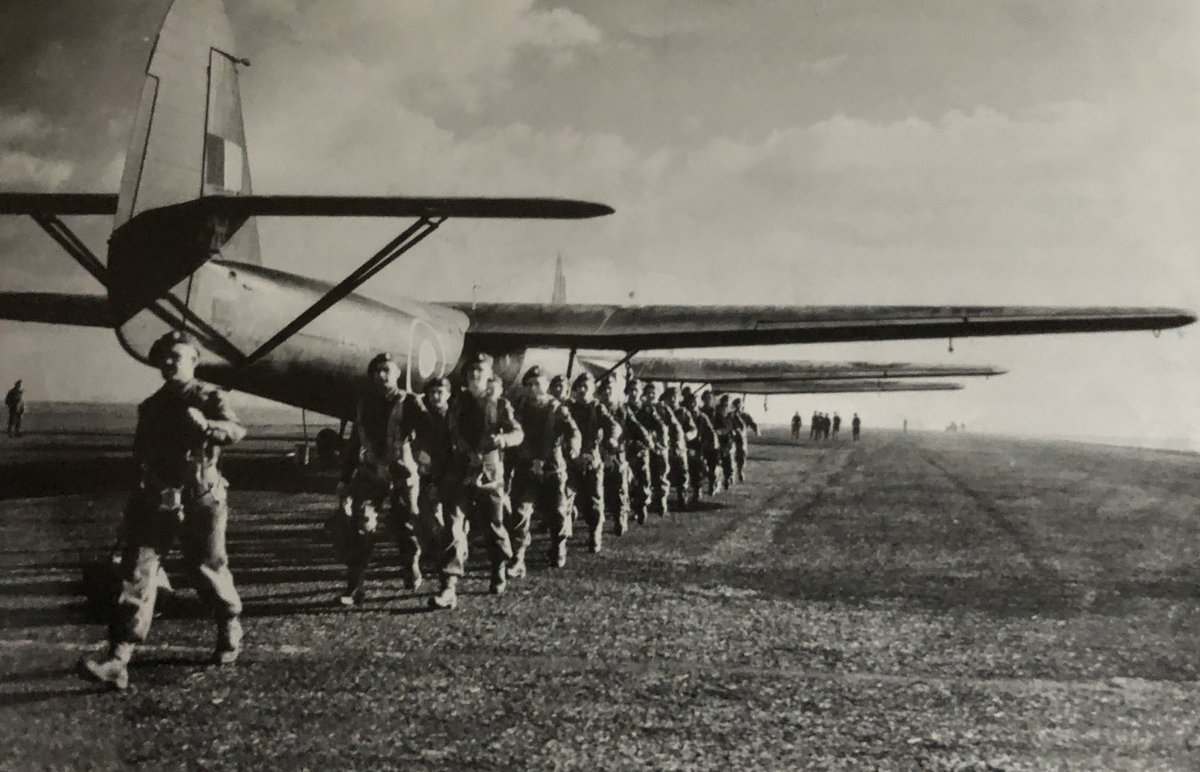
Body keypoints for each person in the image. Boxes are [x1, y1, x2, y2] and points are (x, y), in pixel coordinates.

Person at [79, 331, 246, 690]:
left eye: (177, 356)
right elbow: (140, 456)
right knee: (137, 571)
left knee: (207, 568)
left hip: (201, 498)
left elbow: (235, 430)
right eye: (164, 357)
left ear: (193, 360)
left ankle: (228, 623)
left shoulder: (209, 396)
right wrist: (136, 500)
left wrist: (209, 428)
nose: (169, 362)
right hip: (156, 500)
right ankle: (118, 657)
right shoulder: (151, 406)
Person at [429, 353, 524, 610]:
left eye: (479, 373)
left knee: (493, 526)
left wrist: (504, 440)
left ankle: (498, 567)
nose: (474, 378)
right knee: (453, 527)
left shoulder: (500, 404)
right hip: (458, 473)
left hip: (489, 474)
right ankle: (449, 585)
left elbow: (517, 432)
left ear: (488, 377)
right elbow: (445, 441)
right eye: (471, 374)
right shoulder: (457, 404)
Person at [333, 353, 421, 606]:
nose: (381, 375)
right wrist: (344, 478)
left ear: (397, 373)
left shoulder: (411, 402)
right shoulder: (365, 403)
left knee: (404, 526)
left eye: (387, 370)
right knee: (362, 526)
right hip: (371, 473)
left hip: (402, 474)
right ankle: (355, 586)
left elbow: (430, 432)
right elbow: (355, 442)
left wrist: (428, 462)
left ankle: (410, 564)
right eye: (377, 371)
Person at [511, 366, 579, 571]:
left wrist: (574, 446)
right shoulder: (520, 407)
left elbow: (572, 430)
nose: (533, 388)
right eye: (529, 385)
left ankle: (558, 546)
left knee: (557, 512)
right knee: (520, 512)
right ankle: (518, 556)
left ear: (546, 385)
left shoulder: (557, 409)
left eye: (537, 384)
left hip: (552, 468)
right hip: (526, 468)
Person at [567, 372, 620, 553]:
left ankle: (595, 533)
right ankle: (561, 536)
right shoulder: (569, 408)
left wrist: (612, 438)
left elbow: (613, 425)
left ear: (592, 390)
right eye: (579, 387)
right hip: (571, 460)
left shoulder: (597, 408)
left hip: (592, 460)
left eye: (586, 387)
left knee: (594, 502)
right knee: (564, 496)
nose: (582, 390)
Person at [597, 376, 647, 536]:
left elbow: (635, 426)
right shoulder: (595, 409)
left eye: (609, 389)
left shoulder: (622, 410)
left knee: (619, 488)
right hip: (597, 454)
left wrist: (646, 439)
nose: (606, 393)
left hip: (618, 453)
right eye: (603, 390)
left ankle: (620, 518)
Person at [635, 382, 672, 516]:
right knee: (643, 474)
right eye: (648, 393)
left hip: (659, 445)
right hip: (644, 445)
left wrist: (663, 442)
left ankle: (661, 500)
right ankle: (643, 503)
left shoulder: (662, 409)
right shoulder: (640, 409)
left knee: (660, 473)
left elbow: (667, 426)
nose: (651, 395)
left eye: (653, 393)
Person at [623, 378, 654, 524]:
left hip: (642, 448)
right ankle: (629, 505)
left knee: (643, 479)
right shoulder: (622, 409)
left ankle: (641, 507)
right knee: (627, 480)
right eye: (631, 390)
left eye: (636, 390)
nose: (633, 393)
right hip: (627, 448)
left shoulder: (647, 409)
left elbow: (657, 425)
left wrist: (652, 438)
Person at [660, 387, 695, 510]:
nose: (673, 399)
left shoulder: (683, 412)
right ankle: (661, 498)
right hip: (665, 447)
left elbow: (693, 429)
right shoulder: (662, 411)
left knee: (682, 474)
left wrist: (688, 436)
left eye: (675, 396)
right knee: (663, 472)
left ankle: (682, 497)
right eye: (670, 397)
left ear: (680, 398)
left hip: (679, 447)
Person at [682, 388, 716, 505]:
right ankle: (696, 490)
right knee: (690, 469)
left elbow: (711, 433)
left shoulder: (702, 417)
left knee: (699, 468)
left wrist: (706, 448)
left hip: (701, 446)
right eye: (691, 402)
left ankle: (706, 484)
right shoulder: (684, 415)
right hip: (687, 445)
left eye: (695, 402)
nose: (693, 404)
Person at [698, 390, 725, 494]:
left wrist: (719, 431)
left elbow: (726, 426)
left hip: (713, 444)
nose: (708, 400)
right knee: (700, 466)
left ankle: (712, 484)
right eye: (706, 398)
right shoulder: (699, 412)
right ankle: (699, 487)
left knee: (713, 466)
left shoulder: (716, 413)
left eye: (710, 398)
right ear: (703, 399)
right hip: (701, 443)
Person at [730, 398, 758, 483]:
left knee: (742, 455)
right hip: (732, 438)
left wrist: (756, 429)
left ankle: (740, 471)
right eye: (737, 404)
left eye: (740, 404)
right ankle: (731, 474)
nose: (738, 406)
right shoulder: (731, 415)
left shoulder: (745, 415)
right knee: (731, 455)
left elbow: (752, 423)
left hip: (742, 439)